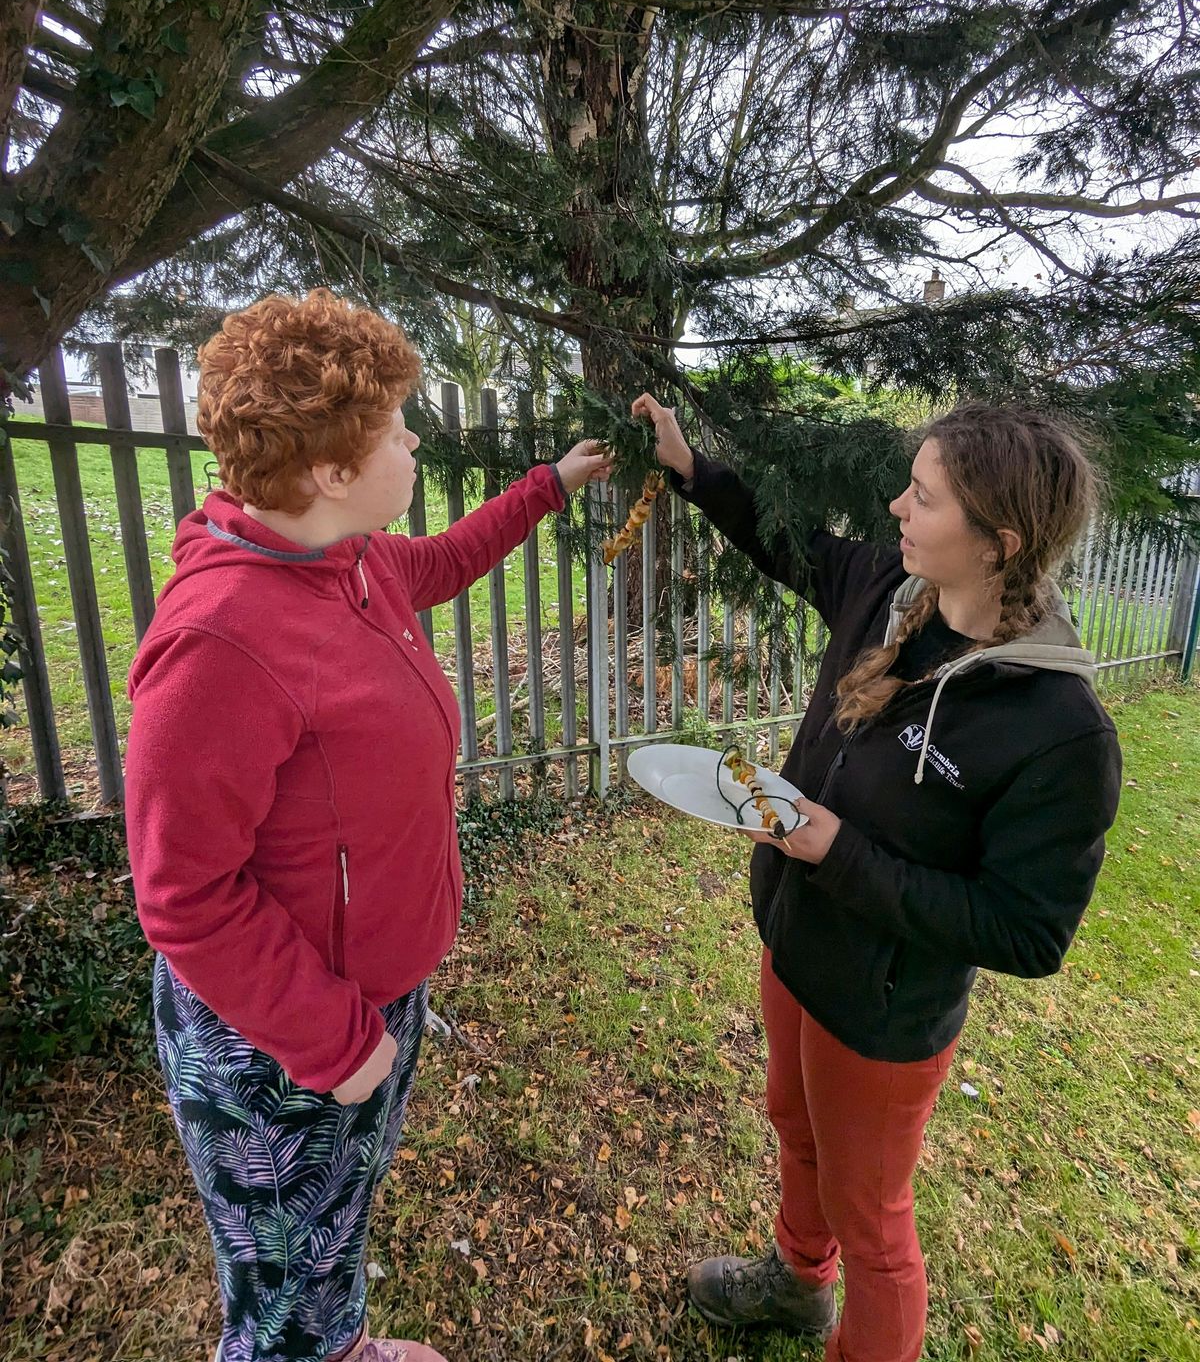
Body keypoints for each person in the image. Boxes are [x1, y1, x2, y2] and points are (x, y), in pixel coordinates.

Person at [124, 289, 611, 1362]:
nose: (415, 441)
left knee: (334, 1226)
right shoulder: (218, 641)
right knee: (277, 1297)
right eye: (397, 428)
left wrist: (550, 487)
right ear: (333, 471)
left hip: (371, 995)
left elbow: (446, 559)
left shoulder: (351, 560)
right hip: (280, 1037)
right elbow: (182, 893)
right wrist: (334, 1040)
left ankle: (343, 1344)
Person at [630, 393, 1121, 1362]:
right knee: (793, 1123)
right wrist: (690, 468)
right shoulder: (888, 593)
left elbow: (1028, 932)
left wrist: (838, 851)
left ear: (999, 542)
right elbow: (784, 542)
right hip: (796, 940)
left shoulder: (1059, 730)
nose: (897, 505)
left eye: (923, 496)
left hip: (885, 1012)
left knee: (874, 1220)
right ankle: (798, 1282)